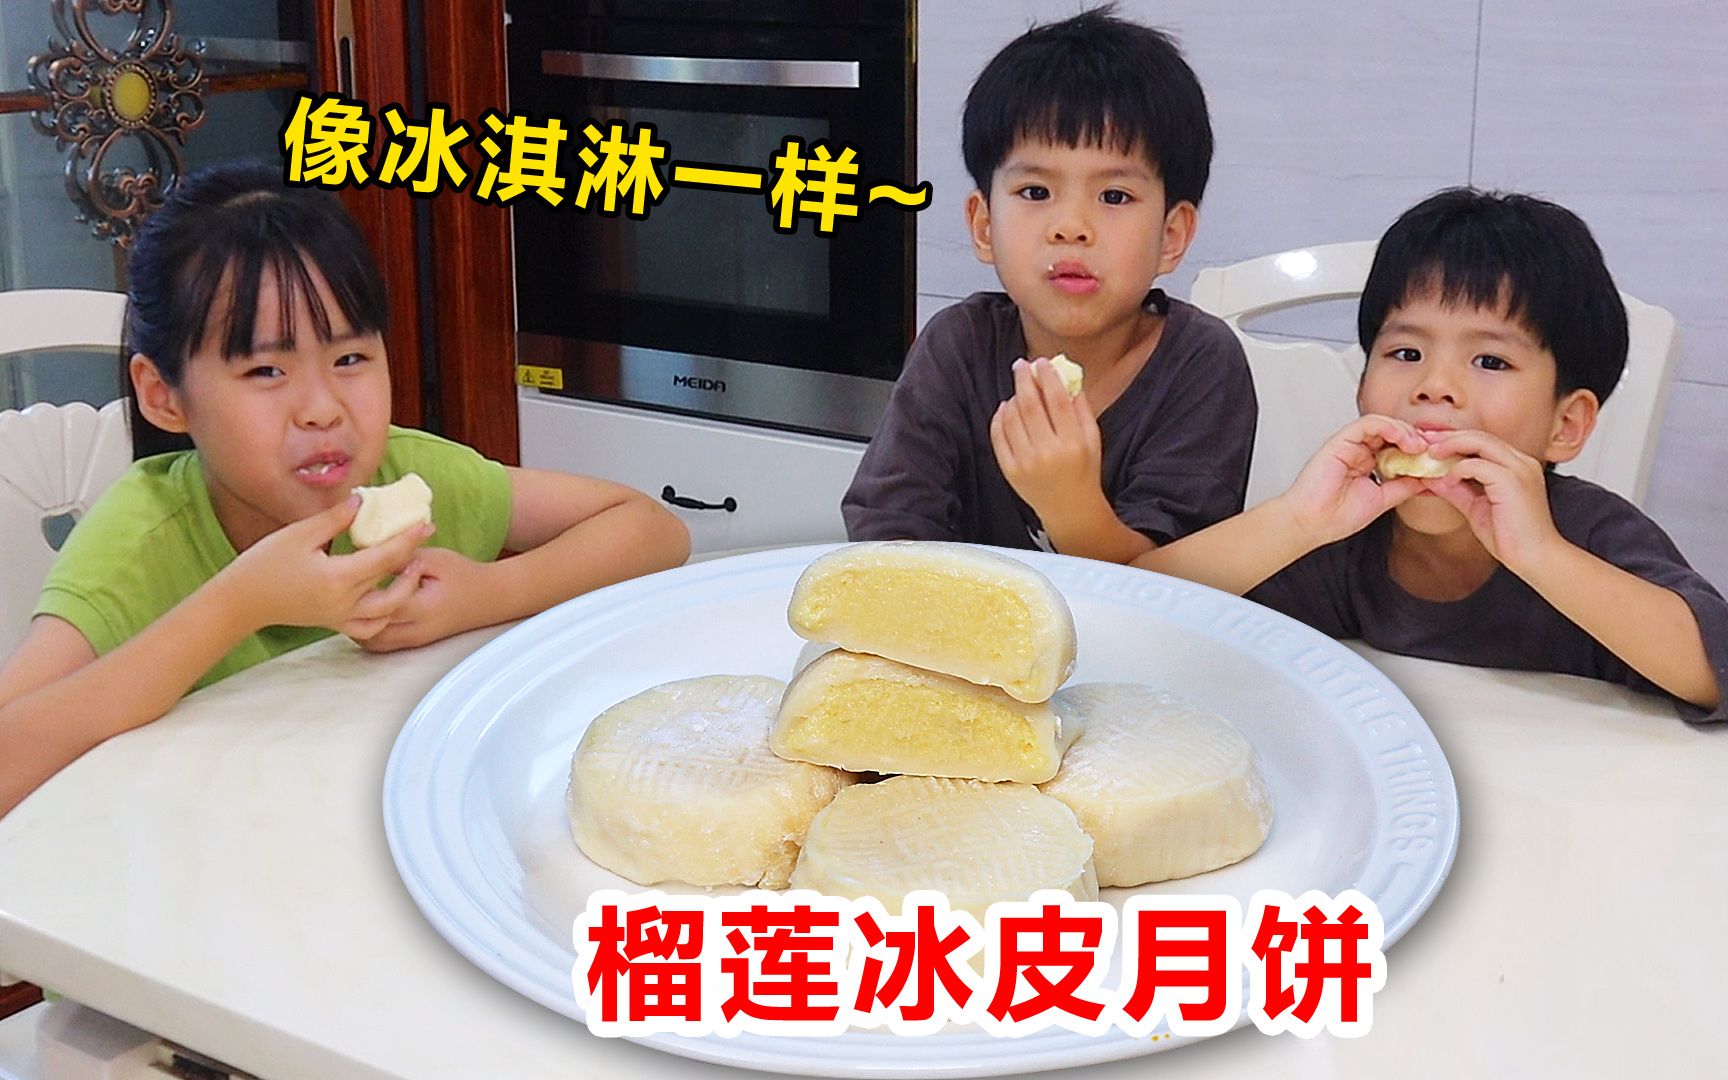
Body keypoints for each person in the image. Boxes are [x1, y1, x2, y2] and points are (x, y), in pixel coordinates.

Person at [0, 161, 692, 817]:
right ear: (164, 395)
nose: (322, 408)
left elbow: (651, 530)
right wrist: (240, 603)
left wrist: (484, 593)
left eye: (351, 357)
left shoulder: (408, 477)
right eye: (266, 371)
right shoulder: (139, 542)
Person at [1136, 188, 1726, 719]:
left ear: (1565, 425)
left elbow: (1714, 670)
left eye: (1490, 361)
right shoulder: (1340, 542)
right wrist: (1295, 520)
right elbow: (1138, 616)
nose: (1435, 386)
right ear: (1362, 389)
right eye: (1406, 354)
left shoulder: (1590, 533)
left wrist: (1541, 555)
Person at [842, 7, 1256, 562]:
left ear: (1172, 236)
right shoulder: (957, 347)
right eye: (1036, 192)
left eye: (1114, 196)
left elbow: (1176, 587)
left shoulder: (1201, 365)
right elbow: (888, 536)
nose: (1071, 227)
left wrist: (1070, 506)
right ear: (984, 226)